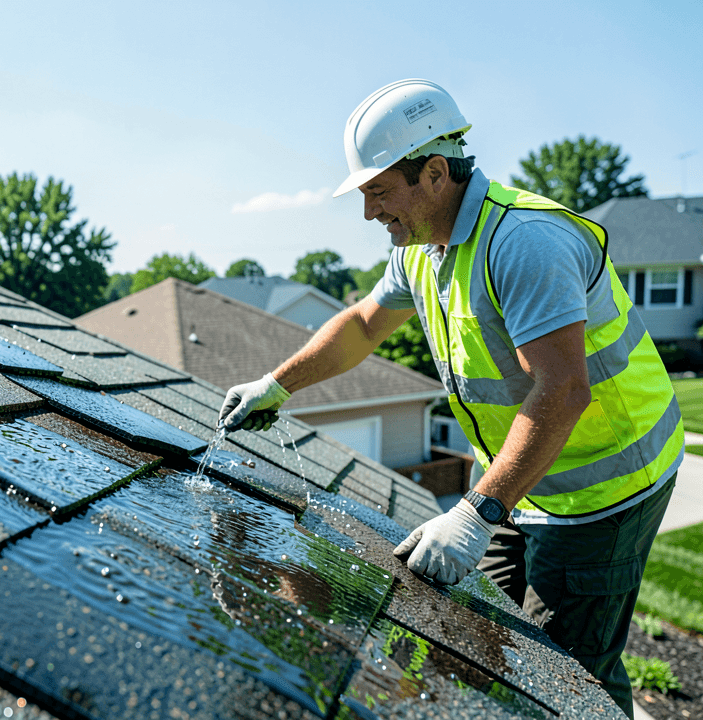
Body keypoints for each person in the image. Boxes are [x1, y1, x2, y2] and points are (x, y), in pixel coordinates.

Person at [217, 79, 682, 718]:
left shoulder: (523, 243)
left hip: (603, 491)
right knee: (471, 631)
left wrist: (475, 513)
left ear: (434, 173)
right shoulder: (424, 250)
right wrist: (276, 385)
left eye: (378, 192)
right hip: (525, 480)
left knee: (566, 675)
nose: (369, 212)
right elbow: (360, 326)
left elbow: (565, 390)